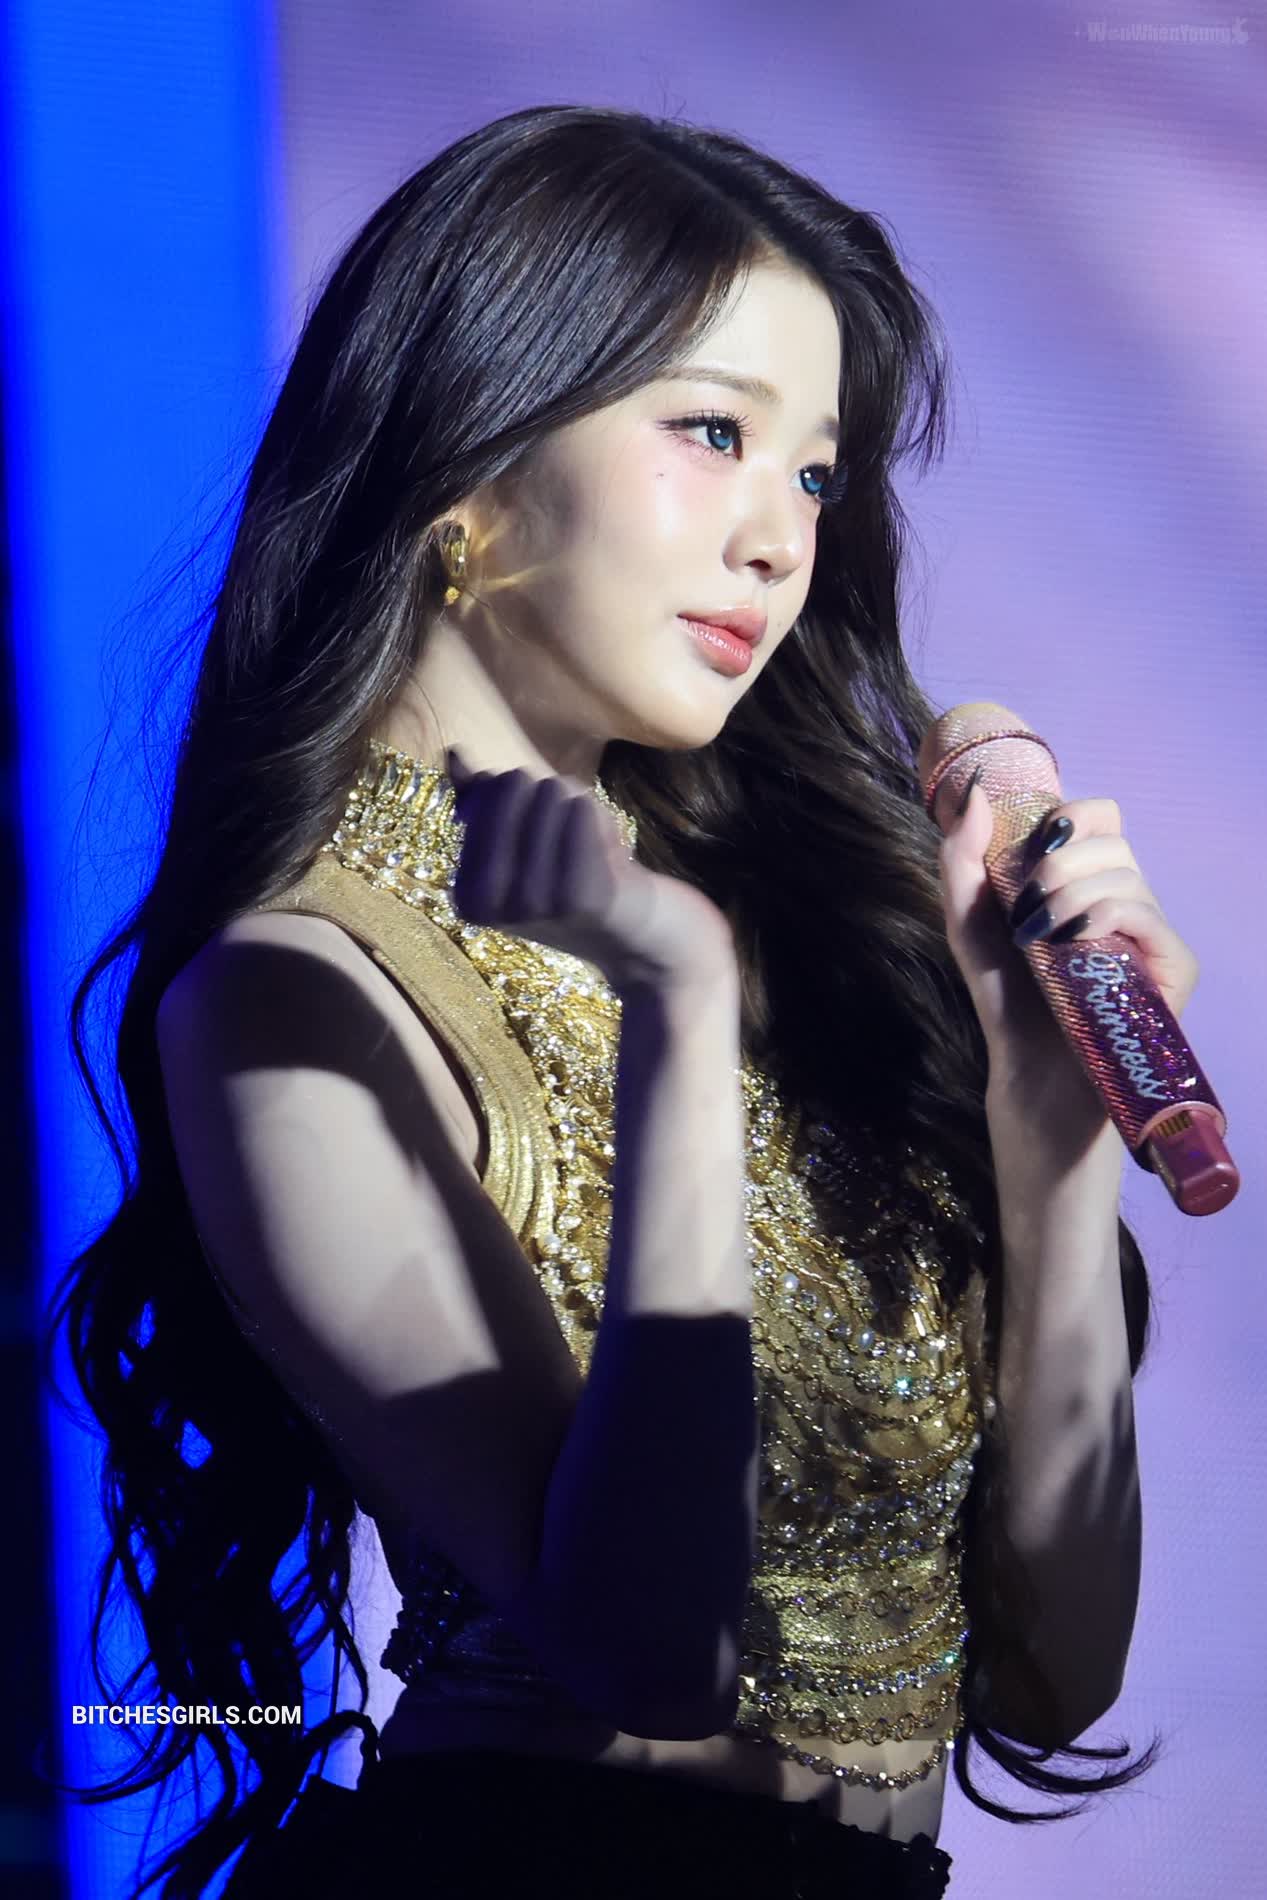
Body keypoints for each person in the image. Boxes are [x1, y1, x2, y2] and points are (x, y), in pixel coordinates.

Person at [46, 104, 1174, 1899]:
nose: (782, 540)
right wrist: (674, 1021)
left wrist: (1049, 1132)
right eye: (714, 434)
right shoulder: (297, 998)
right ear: (469, 460)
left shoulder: (818, 933)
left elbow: (1058, 1671)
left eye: (816, 476)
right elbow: (650, 1648)